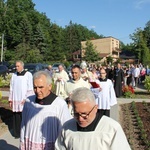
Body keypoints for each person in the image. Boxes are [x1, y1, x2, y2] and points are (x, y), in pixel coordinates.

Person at [55, 87, 131, 150]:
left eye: (84, 114)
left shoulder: (111, 128)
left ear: (95, 108)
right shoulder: (67, 128)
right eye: (76, 114)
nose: (80, 119)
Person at [20, 71, 71, 150]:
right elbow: (23, 125)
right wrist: (22, 144)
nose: (37, 91)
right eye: (35, 87)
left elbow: (65, 130)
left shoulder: (59, 104)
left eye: (41, 87)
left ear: (49, 86)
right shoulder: (28, 102)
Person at [8, 60, 34, 139]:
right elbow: (11, 88)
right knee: (16, 116)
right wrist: (11, 99)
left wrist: (26, 98)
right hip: (16, 98)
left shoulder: (28, 74)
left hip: (24, 99)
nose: (16, 68)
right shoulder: (14, 75)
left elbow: (30, 87)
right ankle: (17, 133)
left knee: (24, 116)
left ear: (22, 66)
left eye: (18, 66)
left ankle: (25, 133)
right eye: (16, 66)